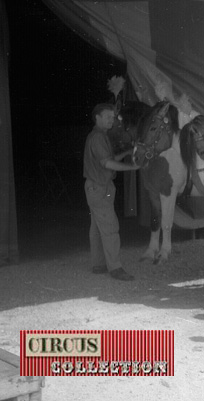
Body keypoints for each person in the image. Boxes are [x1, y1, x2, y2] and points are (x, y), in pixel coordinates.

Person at [83, 103, 140, 281]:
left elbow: (109, 158)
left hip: (97, 187)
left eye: (113, 117)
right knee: (110, 227)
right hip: (100, 187)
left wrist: (127, 152)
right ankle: (115, 268)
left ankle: (98, 264)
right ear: (97, 118)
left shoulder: (99, 136)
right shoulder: (99, 138)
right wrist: (132, 167)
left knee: (97, 227)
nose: (111, 120)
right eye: (107, 116)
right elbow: (107, 163)